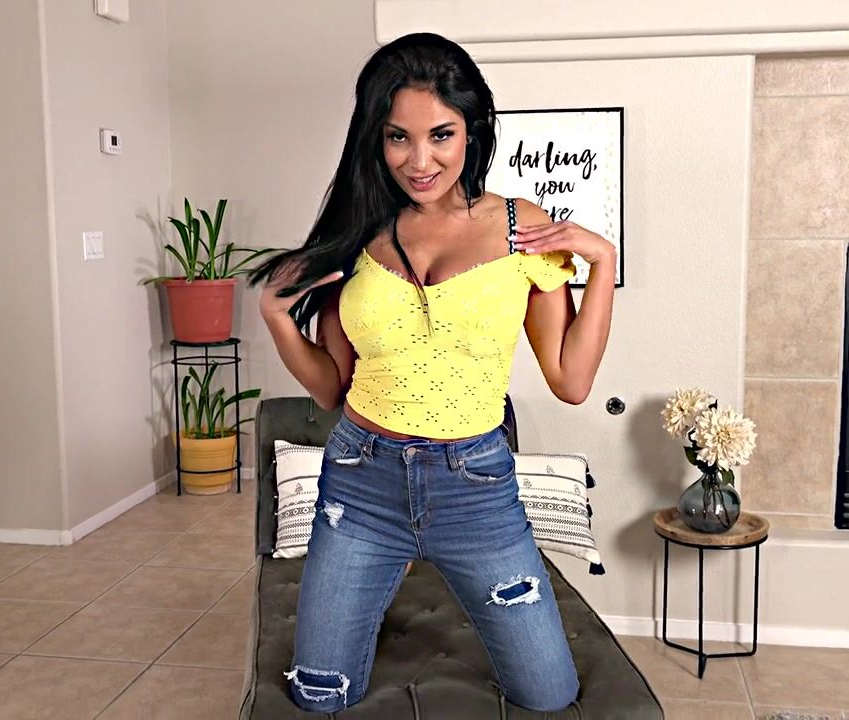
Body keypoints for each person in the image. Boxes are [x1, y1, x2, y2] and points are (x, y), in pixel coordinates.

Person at [249, 32, 615, 714]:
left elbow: (571, 380)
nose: (420, 161)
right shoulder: (358, 233)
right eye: (399, 138)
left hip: (475, 489)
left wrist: (604, 264)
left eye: (441, 135)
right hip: (359, 483)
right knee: (320, 696)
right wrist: (276, 317)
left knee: (549, 693)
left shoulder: (519, 228)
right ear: (376, 139)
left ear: (472, 130)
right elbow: (331, 388)